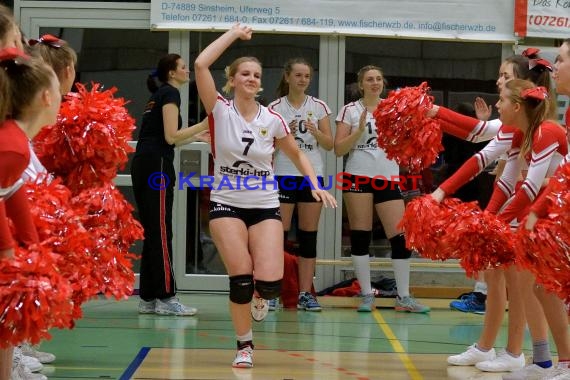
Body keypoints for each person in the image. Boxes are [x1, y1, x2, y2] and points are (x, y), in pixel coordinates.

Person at [193, 24, 336, 368]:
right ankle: (244, 345)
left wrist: (315, 183)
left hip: (264, 203)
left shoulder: (272, 120)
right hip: (227, 202)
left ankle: (261, 294)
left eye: (257, 74)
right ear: (232, 79)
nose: (252, 78)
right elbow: (200, 65)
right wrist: (231, 34)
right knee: (241, 277)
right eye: (245, 73)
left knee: (269, 284)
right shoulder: (220, 110)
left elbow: (299, 154)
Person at [430, 53, 557, 375]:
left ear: (519, 95)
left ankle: (546, 359)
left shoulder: (545, 131)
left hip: (548, 216)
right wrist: (483, 216)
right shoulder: (521, 131)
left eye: (503, 80)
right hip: (531, 213)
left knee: (540, 291)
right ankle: (538, 358)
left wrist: (491, 222)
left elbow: (529, 186)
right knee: (526, 287)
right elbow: (499, 174)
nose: (497, 87)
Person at [334, 65, 430, 313]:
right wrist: (358, 130)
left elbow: (408, 143)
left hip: (388, 177)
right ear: (361, 84)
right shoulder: (350, 110)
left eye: (378, 79)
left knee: (400, 238)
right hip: (357, 176)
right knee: (360, 236)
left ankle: (404, 297)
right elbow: (338, 149)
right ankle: (366, 294)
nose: (375, 83)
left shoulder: (393, 109)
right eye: (369, 79)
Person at [131, 54, 208, 316]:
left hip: (144, 163)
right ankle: (167, 297)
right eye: (184, 68)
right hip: (157, 167)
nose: (188, 71)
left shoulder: (159, 95)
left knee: (153, 230)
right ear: (172, 73)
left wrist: (197, 135)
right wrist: (205, 122)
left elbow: (166, 138)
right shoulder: (171, 94)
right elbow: (171, 136)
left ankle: (148, 297)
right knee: (162, 230)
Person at [1, 47, 61, 379]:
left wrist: (34, 248)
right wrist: (10, 252)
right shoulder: (11, 146)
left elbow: (11, 192)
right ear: (44, 98)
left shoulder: (17, 142)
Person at [515, 40, 570, 380]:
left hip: (556, 213)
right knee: (542, 287)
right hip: (556, 211)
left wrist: (536, 209)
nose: (556, 65)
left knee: (545, 286)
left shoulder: (549, 127)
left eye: (562, 59)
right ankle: (554, 362)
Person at [267, 58, 333, 312]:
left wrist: (315, 132)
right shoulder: (274, 107)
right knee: (277, 236)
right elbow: (266, 146)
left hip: (312, 176)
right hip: (283, 175)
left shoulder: (319, 106)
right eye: (298, 75)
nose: (303, 80)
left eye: (306, 76)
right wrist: (286, 136)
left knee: (308, 237)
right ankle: (273, 291)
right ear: (287, 77)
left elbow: (329, 145)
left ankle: (306, 293)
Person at [442, 102, 490, 315]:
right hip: (464, 187)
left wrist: (484, 124)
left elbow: (487, 152)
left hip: (479, 189)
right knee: (474, 244)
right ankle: (482, 293)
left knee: (481, 243)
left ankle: (482, 294)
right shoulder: (450, 136)